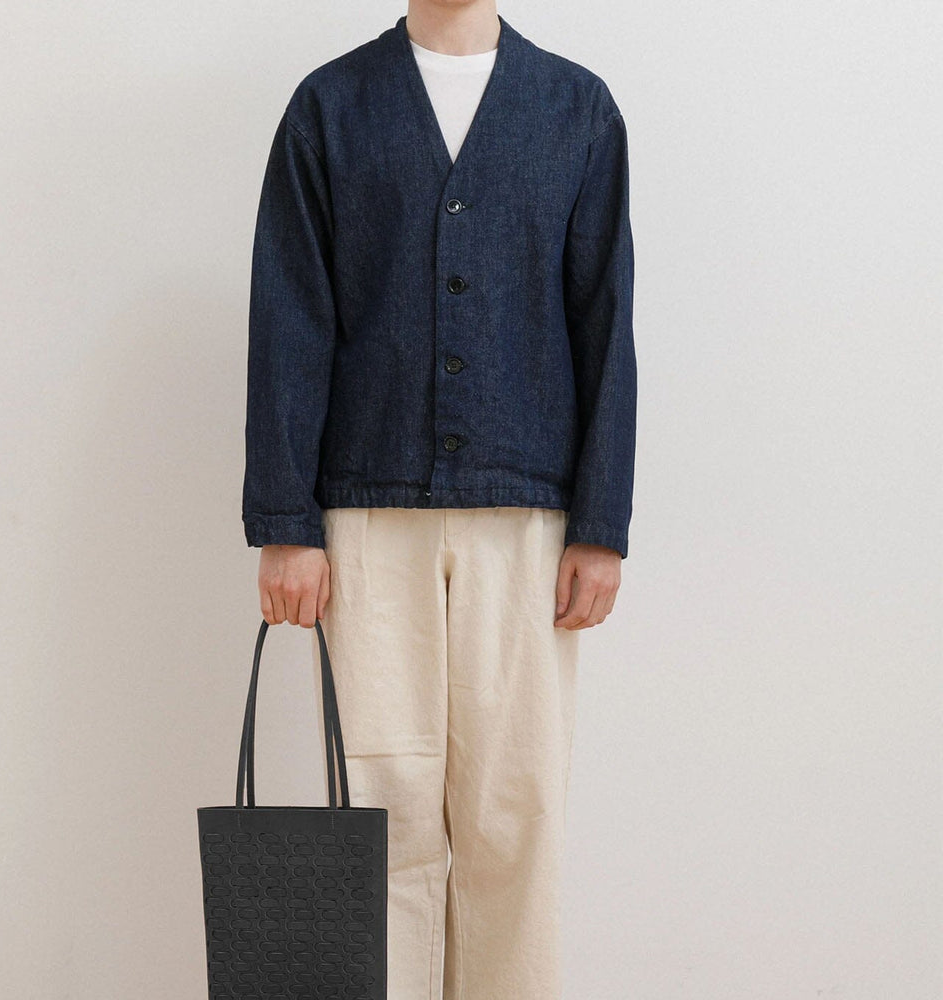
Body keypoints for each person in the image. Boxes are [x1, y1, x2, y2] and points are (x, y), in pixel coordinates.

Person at [242, 2, 637, 996]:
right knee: (384, 806)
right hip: (367, 515)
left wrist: (601, 522)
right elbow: (289, 317)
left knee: (516, 808)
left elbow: (607, 319)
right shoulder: (328, 107)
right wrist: (286, 522)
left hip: (532, 519)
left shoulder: (574, 109)